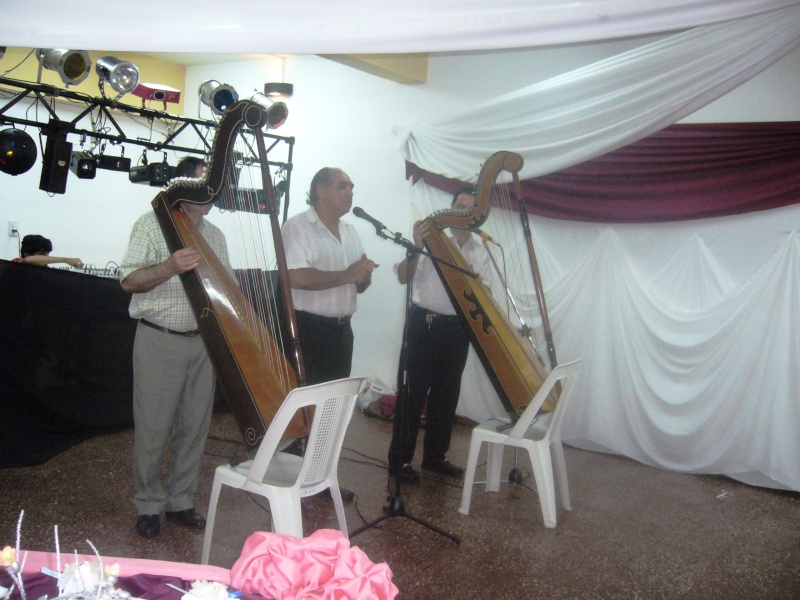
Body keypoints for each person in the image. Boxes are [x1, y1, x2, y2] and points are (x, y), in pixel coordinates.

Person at [119, 156, 231, 538]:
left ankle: (182, 499)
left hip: (203, 343)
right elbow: (128, 282)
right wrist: (169, 267)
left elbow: (223, 290)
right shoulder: (151, 225)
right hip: (159, 338)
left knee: (195, 427)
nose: (207, 198)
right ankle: (148, 504)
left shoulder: (215, 235)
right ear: (182, 188)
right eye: (200, 188)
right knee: (153, 427)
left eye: (212, 190)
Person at [388, 186, 492, 484]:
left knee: (447, 396)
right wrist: (416, 246)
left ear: (477, 218)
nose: (462, 214)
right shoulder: (431, 240)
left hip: (458, 329)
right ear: (449, 211)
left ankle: (435, 457)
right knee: (412, 394)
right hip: (425, 323)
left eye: (469, 210)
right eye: (458, 207)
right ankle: (400, 461)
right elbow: (402, 276)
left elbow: (484, 294)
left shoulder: (478, 250)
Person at [281, 167, 379, 385]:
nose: (350, 192)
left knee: (334, 402)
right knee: (308, 403)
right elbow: (296, 278)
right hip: (308, 331)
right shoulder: (297, 227)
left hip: (343, 331)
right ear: (321, 191)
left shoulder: (351, 232)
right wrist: (347, 275)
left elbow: (358, 286)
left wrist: (363, 277)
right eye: (342, 186)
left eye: (352, 187)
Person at [13, 234, 83, 268]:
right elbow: (28, 260)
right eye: (42, 254)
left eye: (47, 254)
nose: (46, 257)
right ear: (27, 254)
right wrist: (66, 260)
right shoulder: (16, 264)